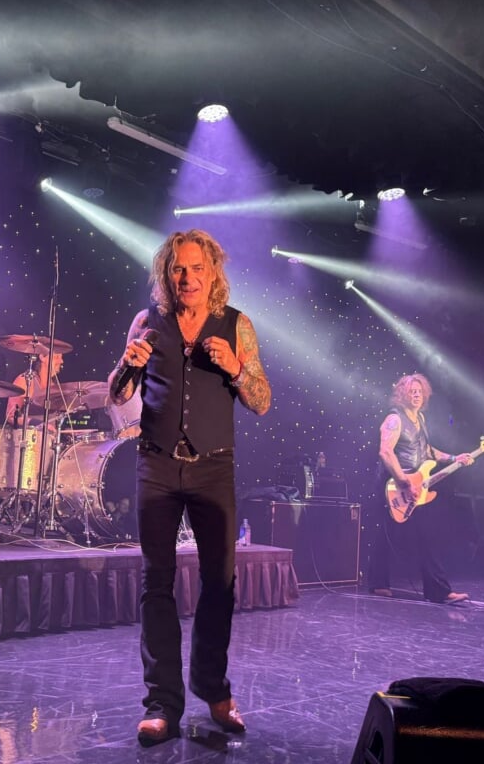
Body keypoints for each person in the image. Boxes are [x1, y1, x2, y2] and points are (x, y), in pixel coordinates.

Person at [109, 229, 271, 745]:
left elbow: (262, 401)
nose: (188, 277)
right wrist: (127, 365)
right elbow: (118, 394)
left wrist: (236, 367)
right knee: (155, 583)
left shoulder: (237, 324)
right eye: (179, 268)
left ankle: (214, 689)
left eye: (197, 268)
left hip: (212, 467)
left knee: (219, 582)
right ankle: (162, 703)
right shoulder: (147, 321)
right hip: (156, 464)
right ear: (167, 272)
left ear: (213, 272)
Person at [368, 373, 472, 604]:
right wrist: (403, 480)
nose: (416, 395)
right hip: (394, 485)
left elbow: (427, 451)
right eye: (412, 392)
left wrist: (454, 458)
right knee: (386, 534)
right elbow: (385, 451)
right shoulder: (394, 419)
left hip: (416, 485)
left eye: (419, 392)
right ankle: (378, 583)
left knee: (429, 535)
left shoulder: (420, 419)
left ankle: (438, 591)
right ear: (402, 395)